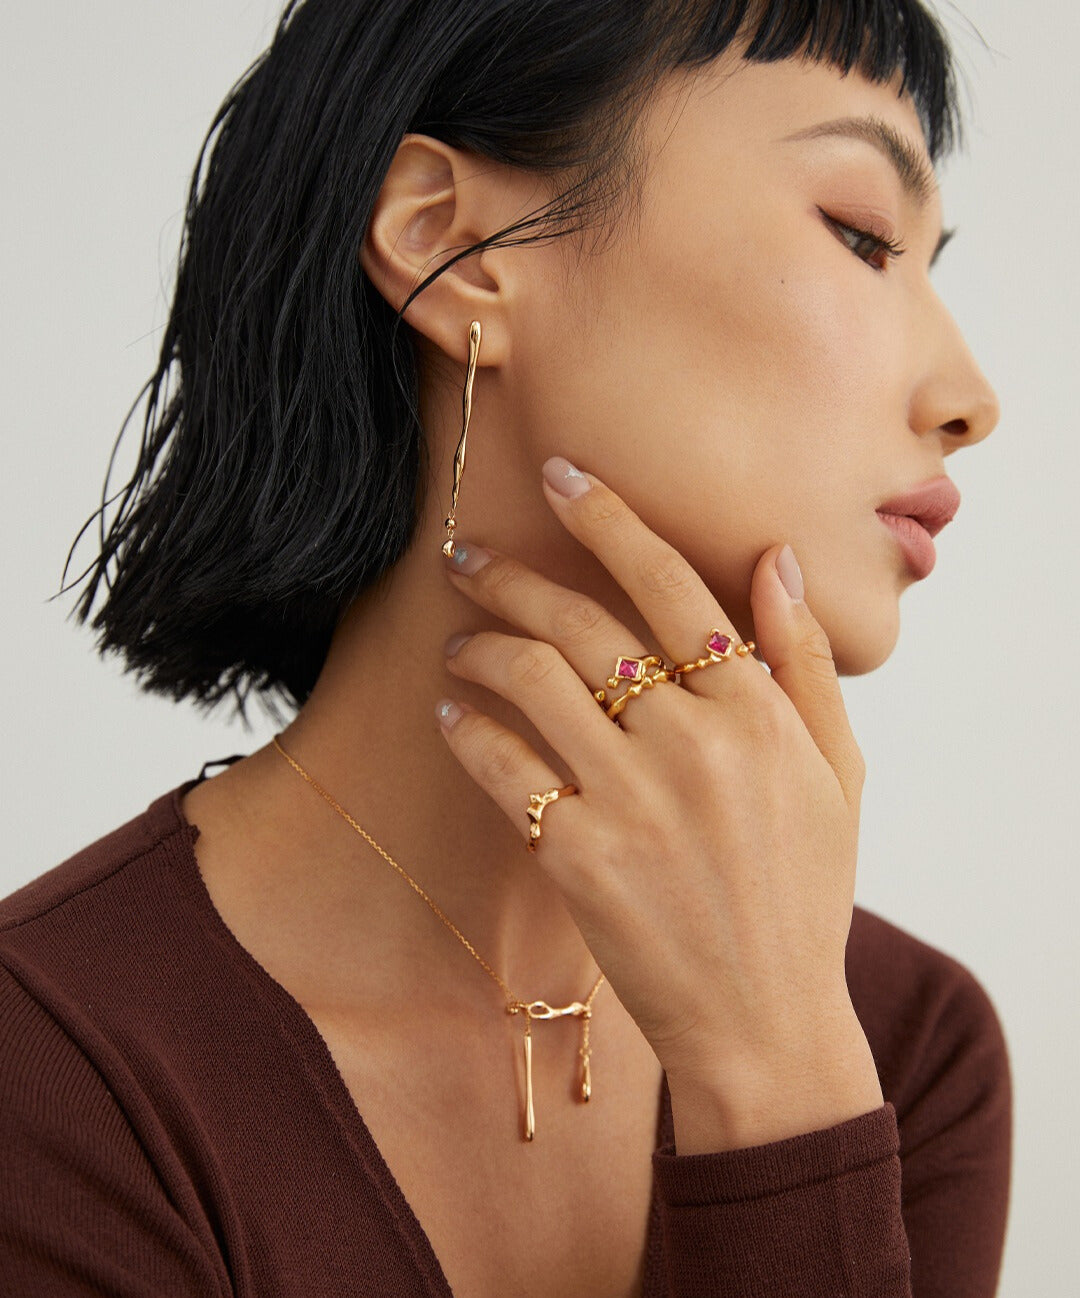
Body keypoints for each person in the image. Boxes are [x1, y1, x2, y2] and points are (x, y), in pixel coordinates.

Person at [0, 1, 1012, 1295]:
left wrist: (781, 1077)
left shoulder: (904, 1046)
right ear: (452, 242)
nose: (970, 395)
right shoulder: (53, 1074)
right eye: (864, 236)